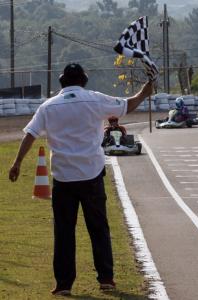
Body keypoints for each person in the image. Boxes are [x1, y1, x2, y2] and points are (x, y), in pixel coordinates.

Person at [8, 63, 153, 296]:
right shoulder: (95, 100)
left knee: (64, 232)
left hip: (63, 177)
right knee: (98, 228)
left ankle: (64, 284)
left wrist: (17, 163)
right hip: (91, 174)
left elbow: (31, 134)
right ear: (84, 80)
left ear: (61, 81)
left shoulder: (48, 106)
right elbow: (128, 105)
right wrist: (144, 92)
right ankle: (106, 279)